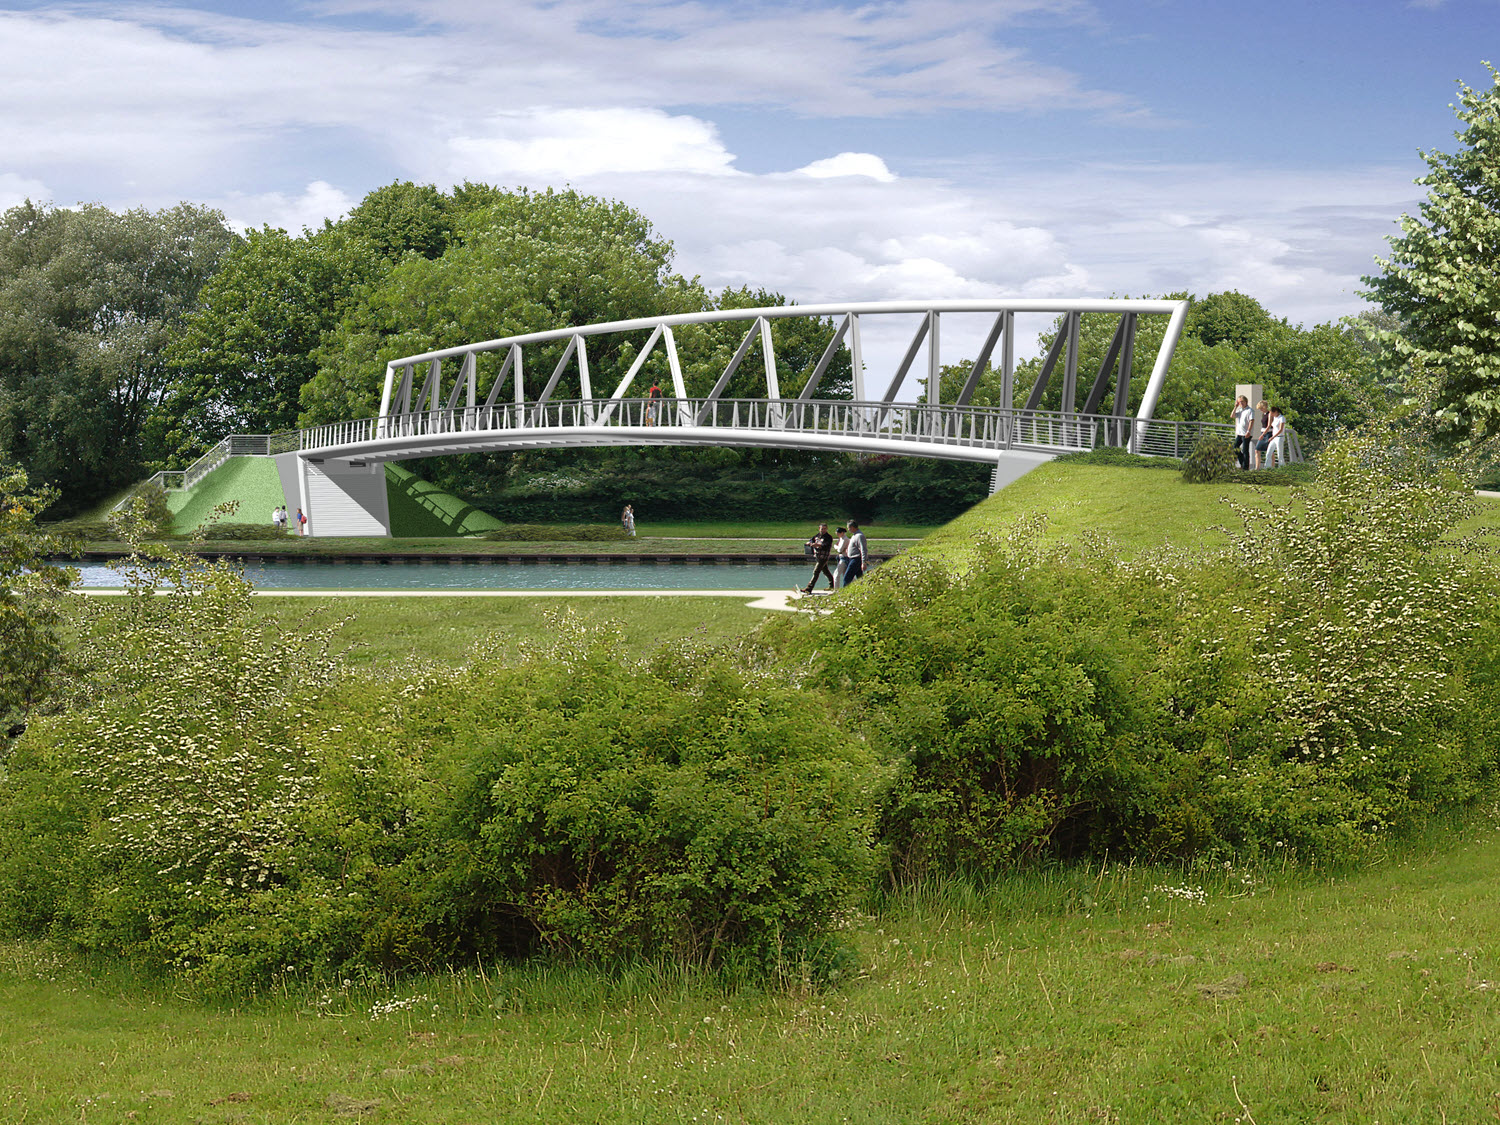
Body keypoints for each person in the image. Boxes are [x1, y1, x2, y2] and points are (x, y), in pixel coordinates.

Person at [801, 523, 836, 594]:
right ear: (819, 529)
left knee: (816, 572)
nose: (823, 530)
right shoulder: (818, 535)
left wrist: (817, 545)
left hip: (824, 557)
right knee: (826, 571)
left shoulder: (828, 537)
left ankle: (809, 589)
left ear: (827, 529)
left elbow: (826, 545)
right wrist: (809, 543)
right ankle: (832, 585)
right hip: (817, 556)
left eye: (824, 529)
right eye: (822, 529)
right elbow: (812, 540)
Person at [842, 521, 868, 585]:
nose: (848, 529)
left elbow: (863, 549)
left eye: (848, 528)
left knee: (847, 578)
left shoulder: (859, 536)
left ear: (852, 527)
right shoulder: (854, 535)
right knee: (860, 578)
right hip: (852, 558)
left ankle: (844, 593)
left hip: (856, 559)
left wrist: (863, 562)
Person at [1232, 394, 1253, 471]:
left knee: (1245, 450)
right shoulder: (1240, 410)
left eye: (1242, 402)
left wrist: (1248, 431)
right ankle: (1242, 463)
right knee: (1235, 448)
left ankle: (1245, 467)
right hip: (1239, 433)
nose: (1241, 403)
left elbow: (1251, 421)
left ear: (1246, 402)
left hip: (1246, 433)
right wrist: (1235, 407)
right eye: (1239, 402)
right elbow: (1232, 416)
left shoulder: (1250, 410)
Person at [1251, 400, 1272, 469]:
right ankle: (1257, 467)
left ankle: (1272, 466)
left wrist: (1263, 435)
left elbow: (1269, 426)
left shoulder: (1270, 414)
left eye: (1261, 408)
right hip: (1263, 432)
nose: (1261, 410)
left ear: (1265, 407)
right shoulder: (1264, 414)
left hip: (1268, 433)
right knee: (1257, 450)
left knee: (1269, 450)